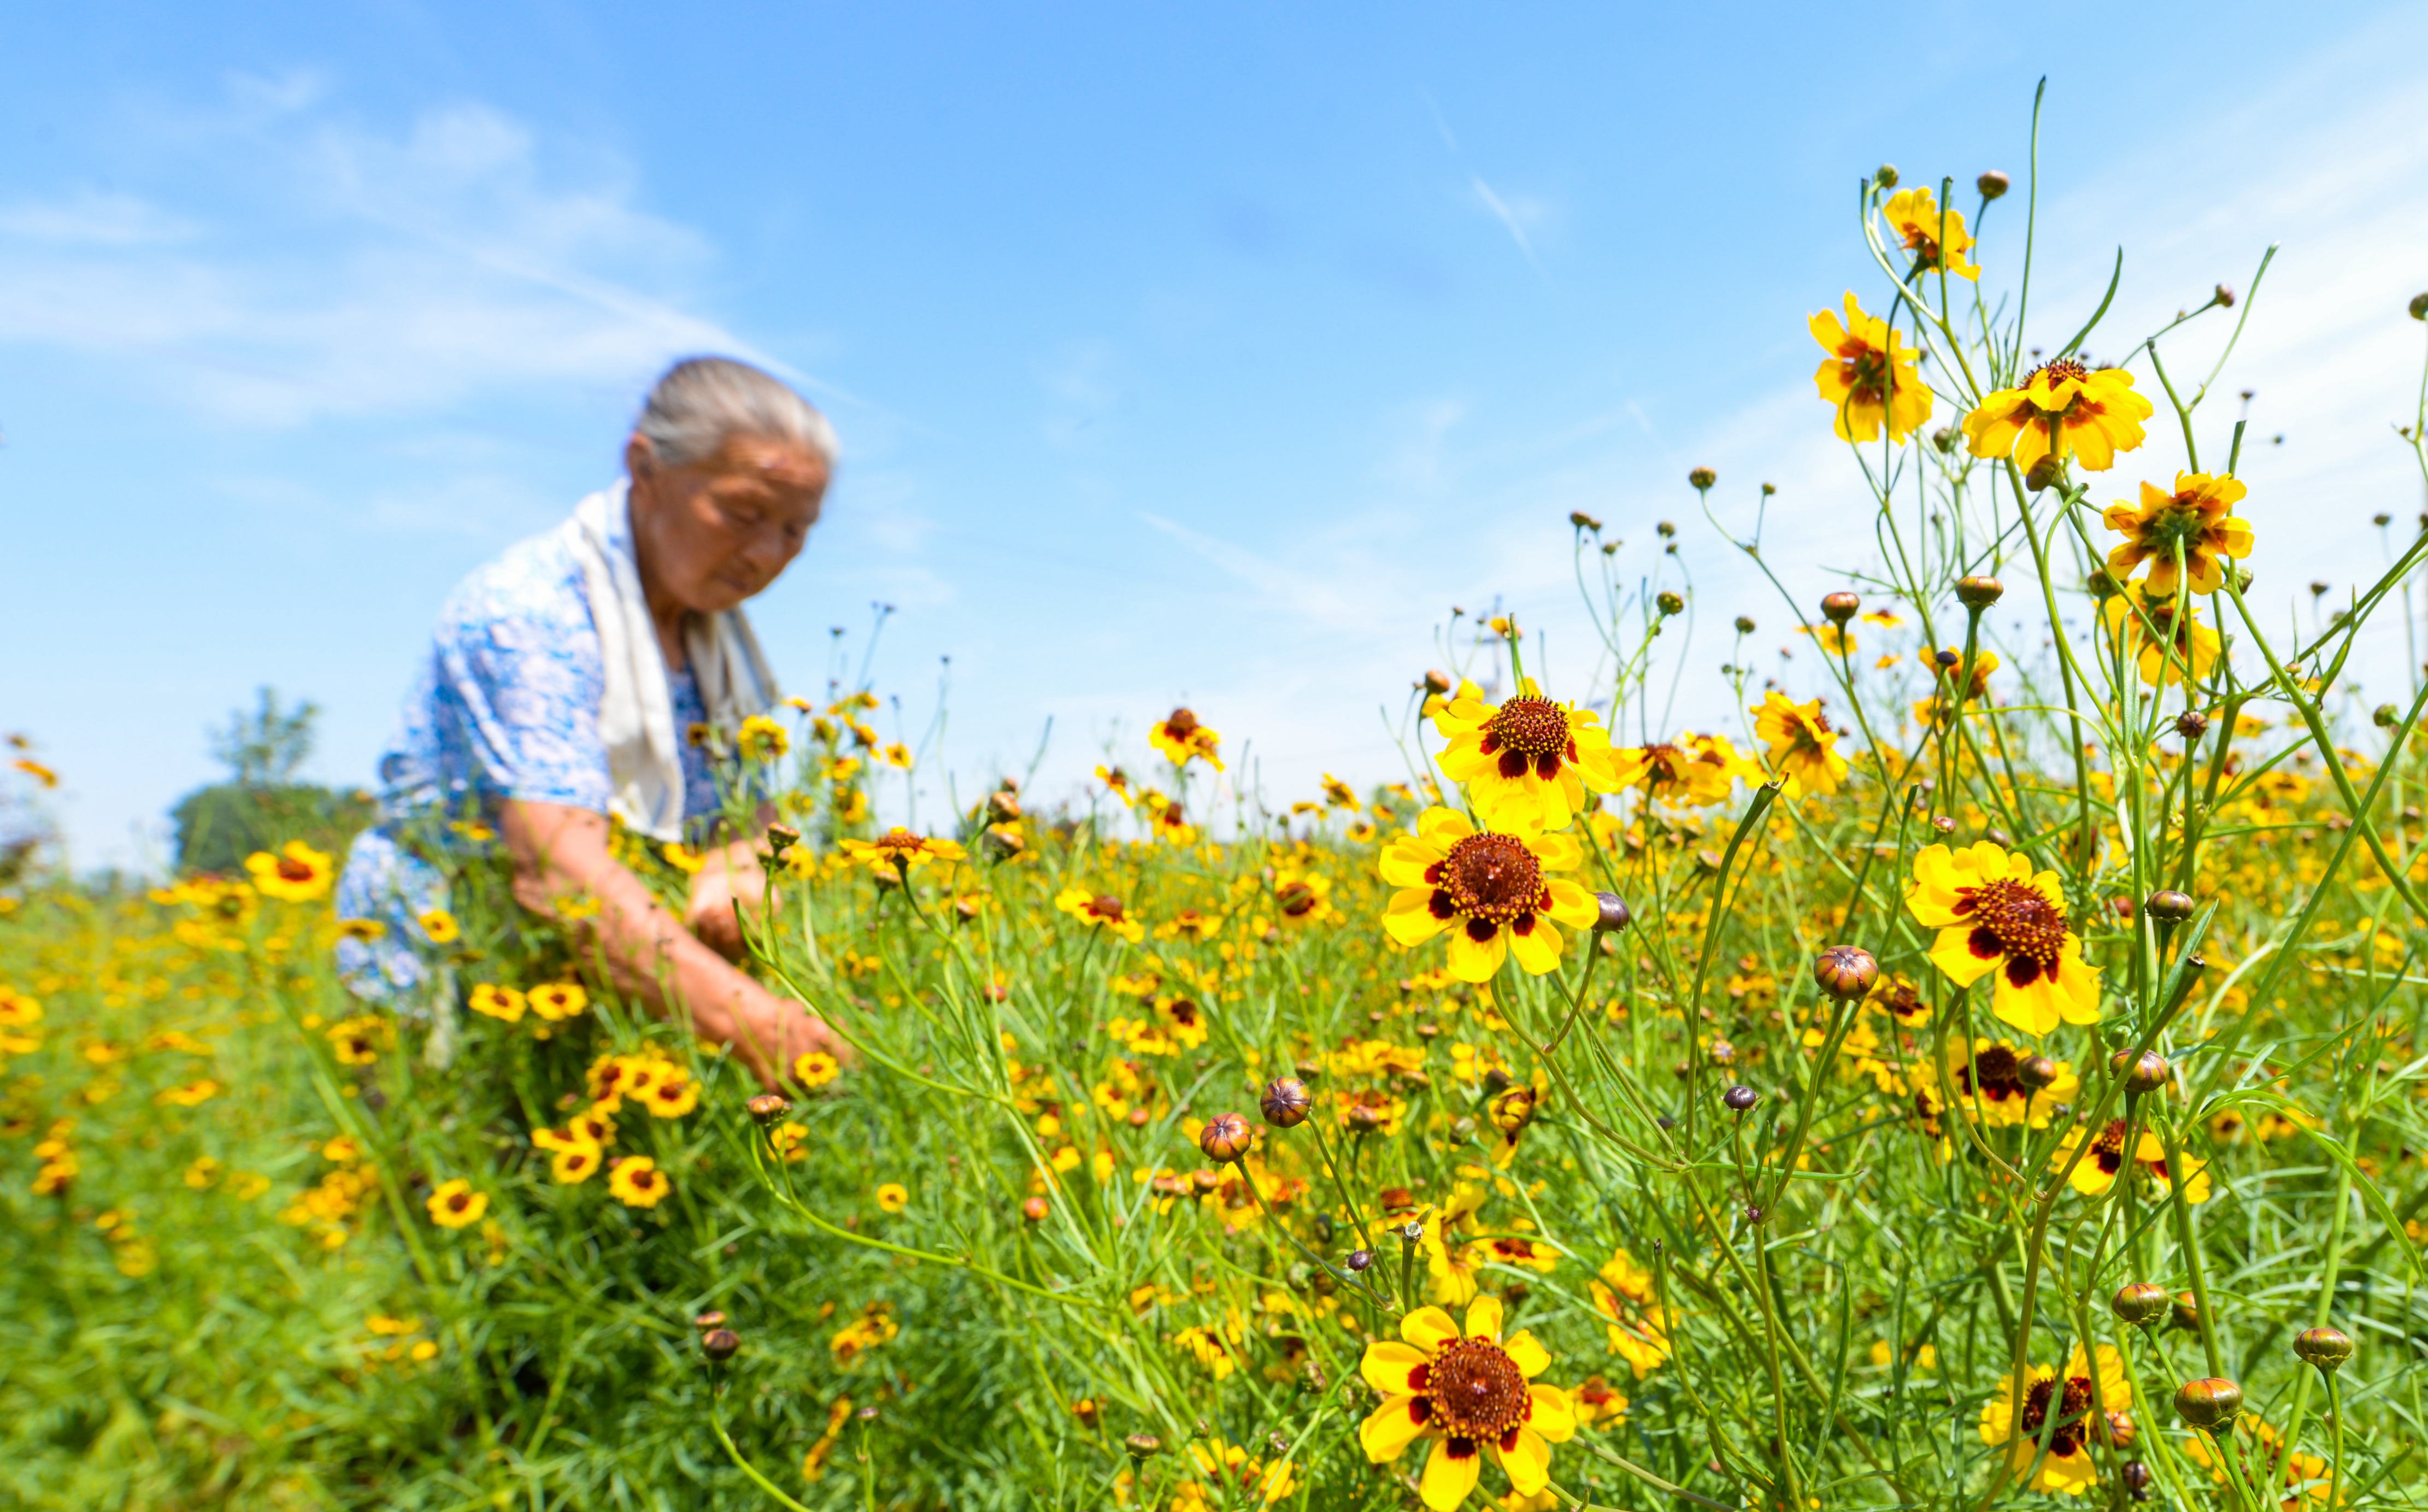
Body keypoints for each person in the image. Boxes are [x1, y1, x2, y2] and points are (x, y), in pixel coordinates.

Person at [334, 356, 843, 1085]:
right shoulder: (533, 613)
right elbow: (557, 872)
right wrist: (765, 1029)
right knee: (442, 1177)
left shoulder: (715, 640)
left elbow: (745, 811)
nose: (767, 554)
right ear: (646, 467)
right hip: (457, 966)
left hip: (606, 987)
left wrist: (743, 863)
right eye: (742, 512)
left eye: (797, 530)